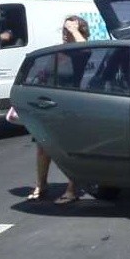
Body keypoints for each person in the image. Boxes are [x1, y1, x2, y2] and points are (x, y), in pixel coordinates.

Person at [26, 15, 90, 204]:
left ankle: (72, 188)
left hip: (71, 106)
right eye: (63, 29)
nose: (64, 33)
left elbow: (84, 46)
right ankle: (41, 184)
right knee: (43, 147)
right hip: (49, 104)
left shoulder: (81, 52)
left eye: (67, 30)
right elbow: (42, 74)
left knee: (69, 149)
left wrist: (74, 30)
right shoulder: (57, 52)